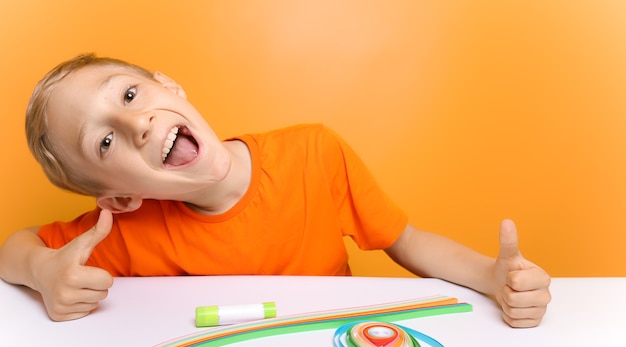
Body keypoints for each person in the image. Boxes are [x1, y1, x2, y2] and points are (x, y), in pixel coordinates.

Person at [0, 53, 551, 326]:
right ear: (119, 197)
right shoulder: (122, 231)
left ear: (169, 87)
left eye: (127, 96)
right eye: (103, 143)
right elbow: (12, 251)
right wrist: (44, 272)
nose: (136, 123)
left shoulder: (313, 153)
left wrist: (489, 276)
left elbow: (406, 240)